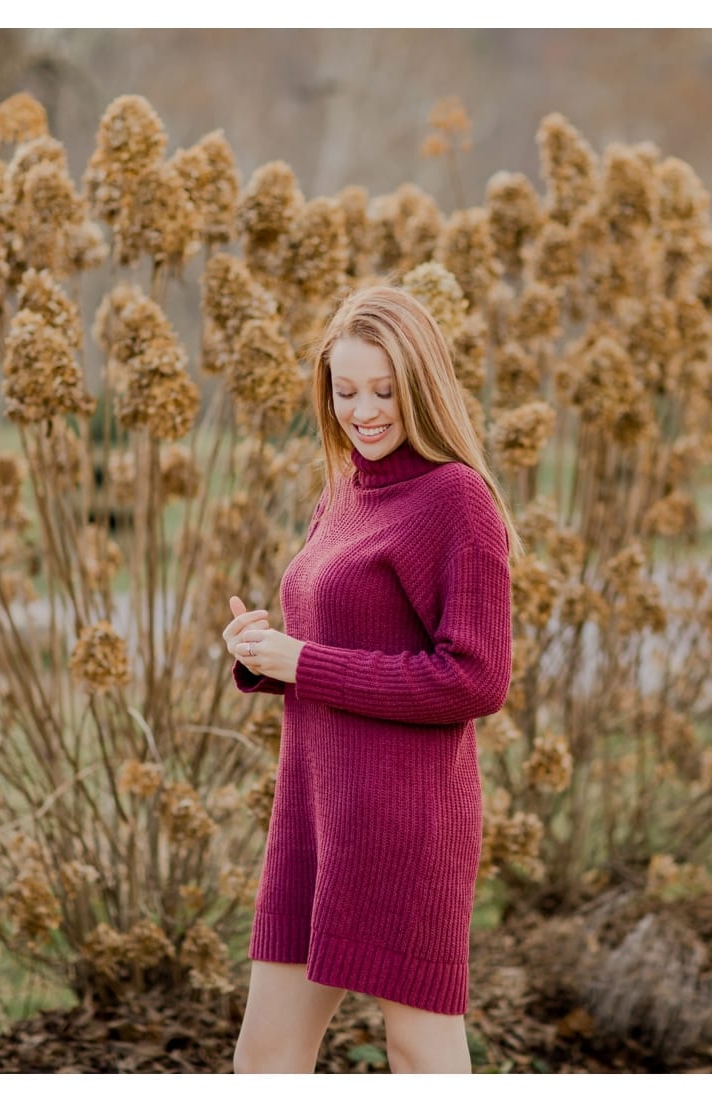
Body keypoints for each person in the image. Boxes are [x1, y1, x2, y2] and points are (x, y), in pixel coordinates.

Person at [223, 284, 522, 1074]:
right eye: (345, 389)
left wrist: (305, 664)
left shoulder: (457, 500)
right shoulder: (343, 490)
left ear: (421, 386)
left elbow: (476, 679)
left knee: (418, 1053)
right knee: (264, 1057)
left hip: (405, 821)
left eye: (384, 391)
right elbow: (333, 637)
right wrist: (264, 653)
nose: (364, 410)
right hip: (312, 813)